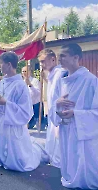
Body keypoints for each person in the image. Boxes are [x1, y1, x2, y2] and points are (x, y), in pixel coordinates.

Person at [0, 52, 46, 172]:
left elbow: (26, 111)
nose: (0, 67)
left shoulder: (20, 85)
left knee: (19, 161)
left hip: (12, 124)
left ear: (9, 65)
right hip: (0, 122)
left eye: (1, 64)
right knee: (1, 150)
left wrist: (6, 103)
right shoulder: (1, 83)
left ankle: (38, 151)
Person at [51, 43, 98, 189]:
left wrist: (76, 114)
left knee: (83, 161)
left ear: (76, 57)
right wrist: (57, 104)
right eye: (59, 56)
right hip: (66, 128)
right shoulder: (62, 79)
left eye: (63, 56)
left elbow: (96, 111)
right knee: (68, 158)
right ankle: (70, 178)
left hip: (82, 129)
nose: (59, 59)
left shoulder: (90, 80)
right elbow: (55, 102)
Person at [38, 49, 65, 168]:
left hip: (60, 116)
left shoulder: (61, 73)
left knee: (59, 145)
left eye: (43, 61)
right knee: (52, 142)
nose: (41, 65)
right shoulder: (52, 75)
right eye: (40, 62)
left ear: (53, 59)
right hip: (53, 115)